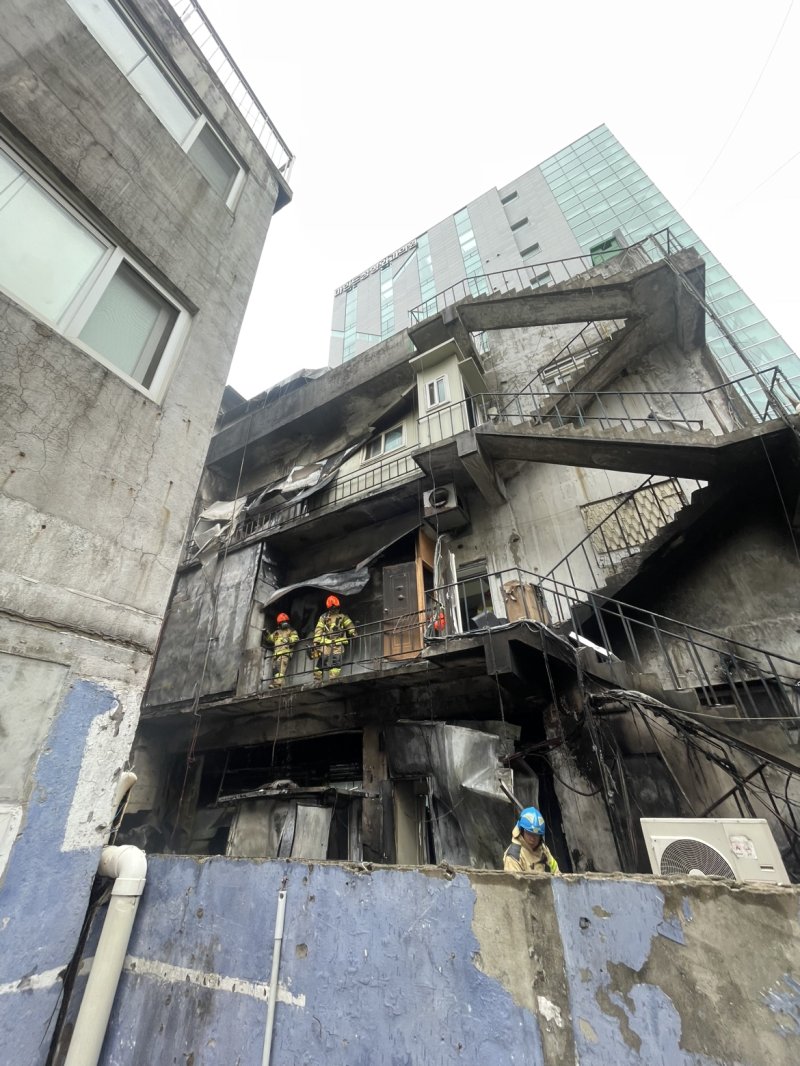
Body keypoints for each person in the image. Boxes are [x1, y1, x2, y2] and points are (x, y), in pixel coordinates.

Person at [312, 595, 356, 681]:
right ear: (329, 608)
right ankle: (317, 677)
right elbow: (319, 629)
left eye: (336, 608)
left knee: (337, 660)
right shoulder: (324, 617)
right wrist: (316, 641)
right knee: (323, 659)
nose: (334, 609)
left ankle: (333, 678)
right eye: (333, 608)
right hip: (326, 642)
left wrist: (353, 632)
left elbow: (349, 625)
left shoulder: (342, 616)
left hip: (338, 642)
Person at [503, 806, 559, 874]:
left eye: (536, 835)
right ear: (521, 831)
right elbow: (514, 881)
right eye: (529, 833)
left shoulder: (543, 849)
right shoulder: (514, 856)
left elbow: (556, 872)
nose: (533, 839)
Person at [264, 612, 299, 688]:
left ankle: (278, 684)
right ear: (279, 624)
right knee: (275, 670)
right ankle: (278, 684)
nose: (284, 623)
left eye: (285, 621)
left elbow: (295, 639)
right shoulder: (277, 632)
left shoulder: (291, 631)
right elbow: (271, 639)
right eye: (282, 622)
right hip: (276, 654)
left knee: (281, 669)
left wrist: (288, 640)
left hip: (285, 653)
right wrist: (266, 634)